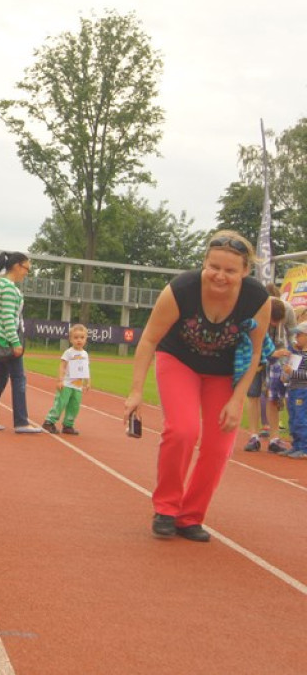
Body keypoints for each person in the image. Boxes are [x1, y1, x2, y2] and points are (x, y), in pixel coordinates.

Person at [124, 231, 269, 542]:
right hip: (179, 361)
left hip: (224, 372)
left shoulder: (257, 299)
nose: (220, 276)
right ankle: (166, 509)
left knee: (220, 445)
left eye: (230, 270)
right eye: (213, 267)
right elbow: (149, 339)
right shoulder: (182, 289)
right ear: (204, 262)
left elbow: (256, 352)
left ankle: (191, 515)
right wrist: (136, 391)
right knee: (183, 431)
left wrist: (237, 399)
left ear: (245, 271)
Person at [0, 251, 42, 433]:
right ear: (17, 266)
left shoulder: (3, 285)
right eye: (26, 268)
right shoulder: (8, 288)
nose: (27, 273)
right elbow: (7, 317)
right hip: (6, 339)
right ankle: (21, 422)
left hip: (1, 337)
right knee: (18, 379)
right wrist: (15, 342)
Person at [244, 298, 294, 452]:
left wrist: (289, 360)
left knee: (273, 396)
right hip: (255, 354)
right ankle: (253, 436)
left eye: (278, 322)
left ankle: (274, 438)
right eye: (272, 321)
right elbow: (247, 340)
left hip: (278, 358)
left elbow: (291, 337)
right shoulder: (253, 312)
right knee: (253, 394)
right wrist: (261, 358)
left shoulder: (289, 311)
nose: (275, 325)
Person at [41, 323, 91, 435]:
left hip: (78, 386)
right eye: (76, 337)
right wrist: (60, 380)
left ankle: (68, 425)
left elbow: (86, 368)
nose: (79, 340)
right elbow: (62, 366)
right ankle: (49, 422)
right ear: (71, 339)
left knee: (74, 406)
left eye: (82, 337)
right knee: (61, 403)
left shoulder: (85, 354)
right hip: (67, 384)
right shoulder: (69, 352)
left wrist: (88, 382)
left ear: (86, 339)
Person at [280, 322, 307, 459]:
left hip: (302, 390)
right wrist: (286, 374)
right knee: (293, 418)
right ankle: (296, 445)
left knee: (300, 418)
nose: (296, 338)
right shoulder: (298, 353)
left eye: (299, 335)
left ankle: (304, 447)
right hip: (293, 388)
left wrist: (292, 372)